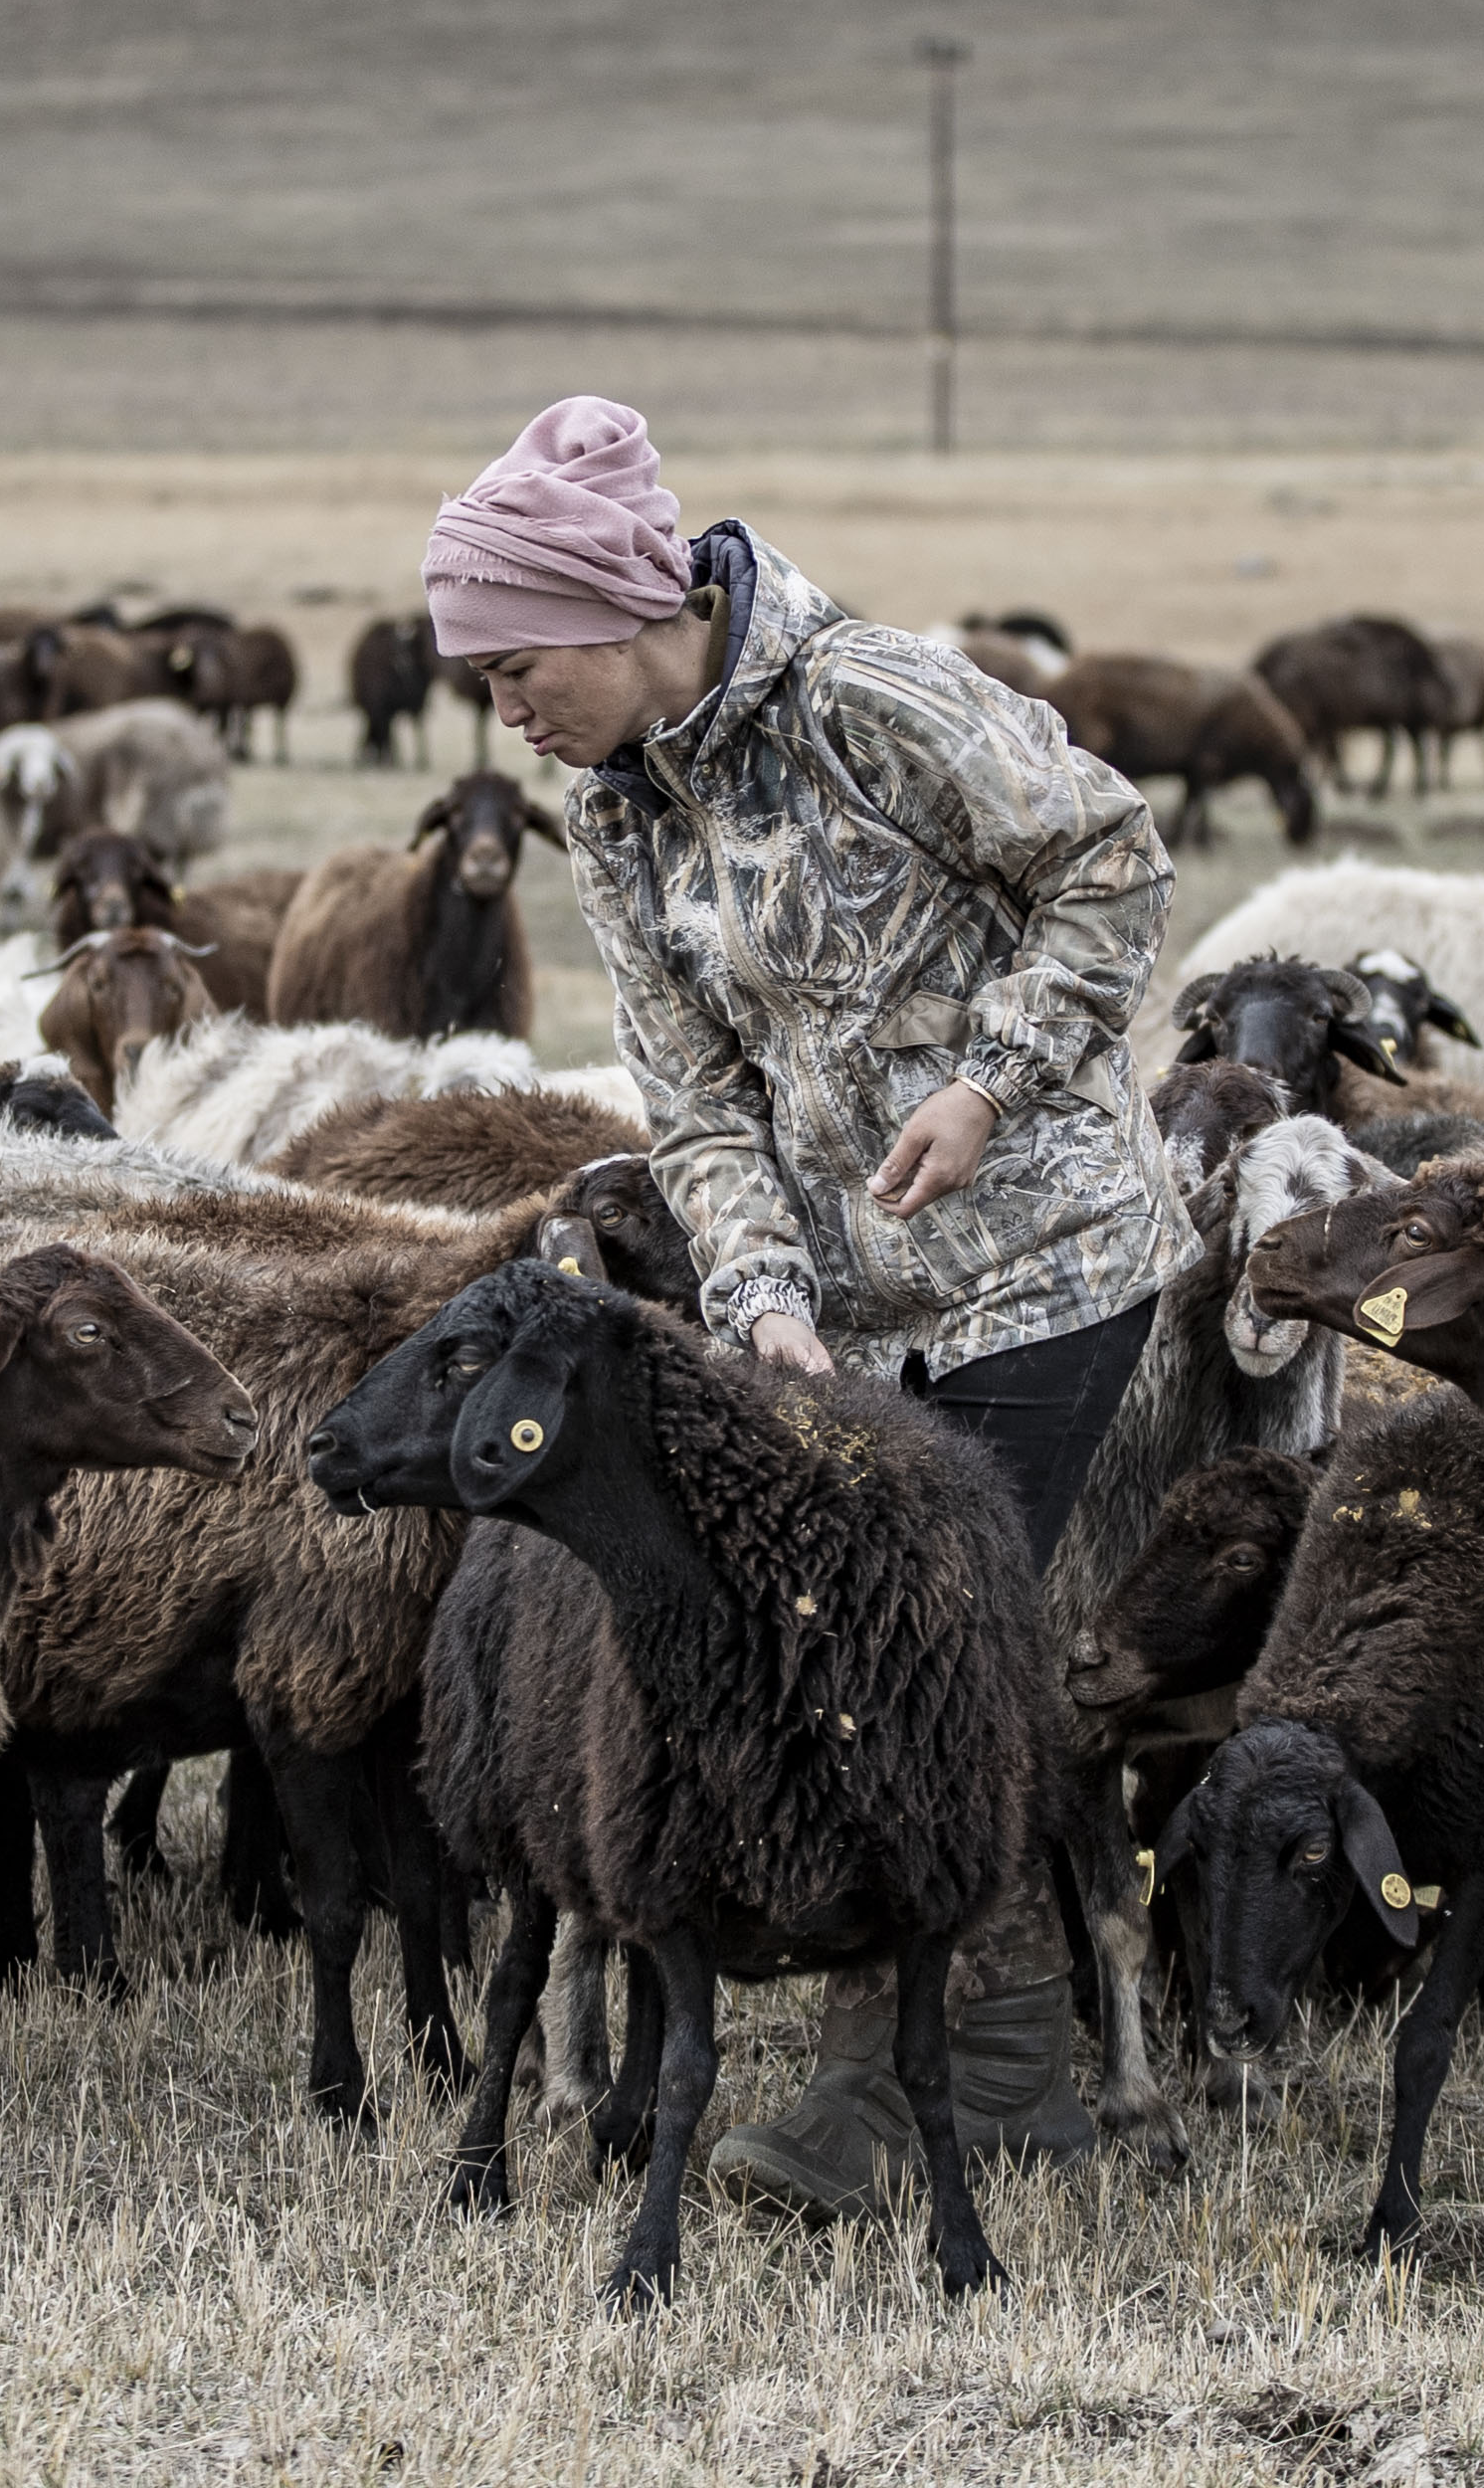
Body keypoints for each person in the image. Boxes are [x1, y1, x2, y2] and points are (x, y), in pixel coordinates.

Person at [425, 393, 1180, 2215]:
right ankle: (978, 2066)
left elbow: (1113, 858)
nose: (506, 715)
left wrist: (994, 1077)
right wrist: (758, 1292)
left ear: (620, 606)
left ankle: (938, 2082)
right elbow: (688, 1090)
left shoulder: (873, 699)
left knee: (928, 1644)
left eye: (520, 668)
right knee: (843, 1634)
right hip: (845, 1306)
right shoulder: (614, 810)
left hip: (1044, 1259)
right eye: (481, 686)